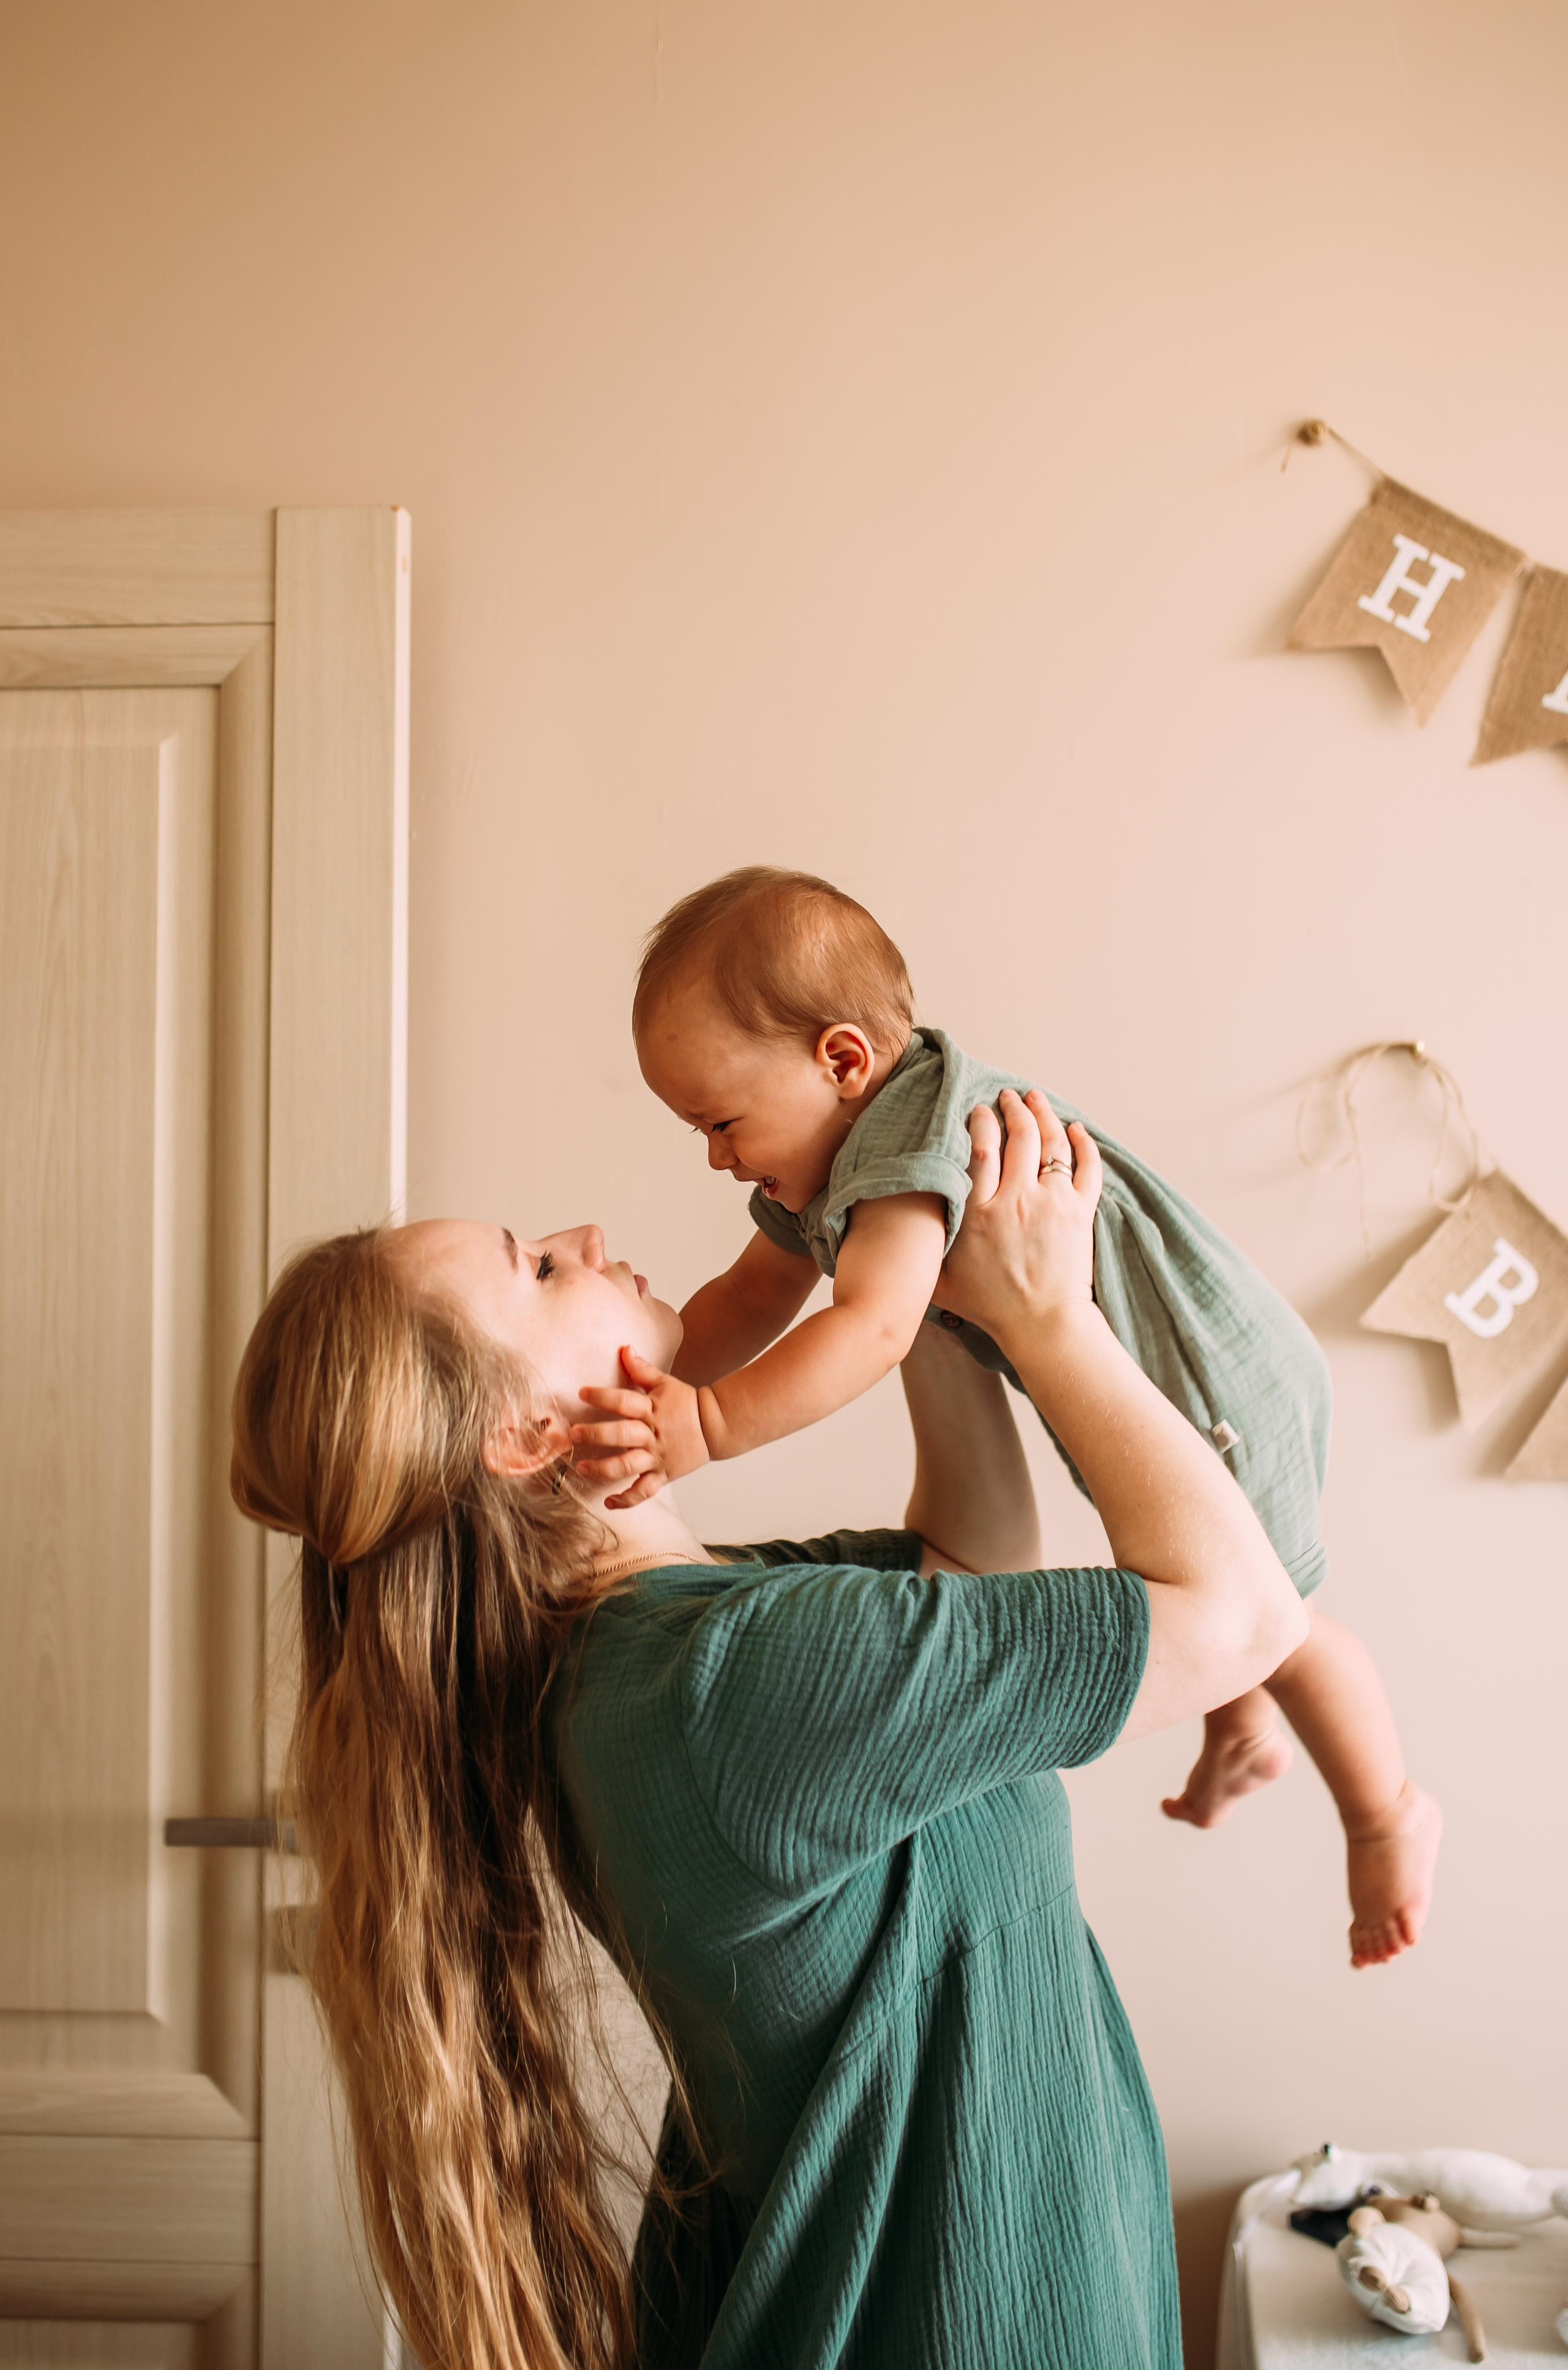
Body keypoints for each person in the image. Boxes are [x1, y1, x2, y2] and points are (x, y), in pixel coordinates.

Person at [231, 1087, 1304, 2370]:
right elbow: (1239, 1619)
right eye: (536, 1264)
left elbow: (969, 1560)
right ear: (521, 1435)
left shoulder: (673, 1646)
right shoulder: (720, 1685)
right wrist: (1050, 1319)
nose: (580, 1234)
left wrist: (903, 1269)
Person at [601, 866, 1441, 1969]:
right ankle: (1242, 1723)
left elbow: (872, 1327)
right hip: (1151, 1373)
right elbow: (751, 1297)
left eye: (721, 1120)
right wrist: (647, 1375)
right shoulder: (833, 1154)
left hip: (1213, 1377)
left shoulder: (902, 1150)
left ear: (843, 1059)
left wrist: (704, 1426)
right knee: (1218, 1606)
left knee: (1278, 1619)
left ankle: (1387, 1810)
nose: (717, 1155)